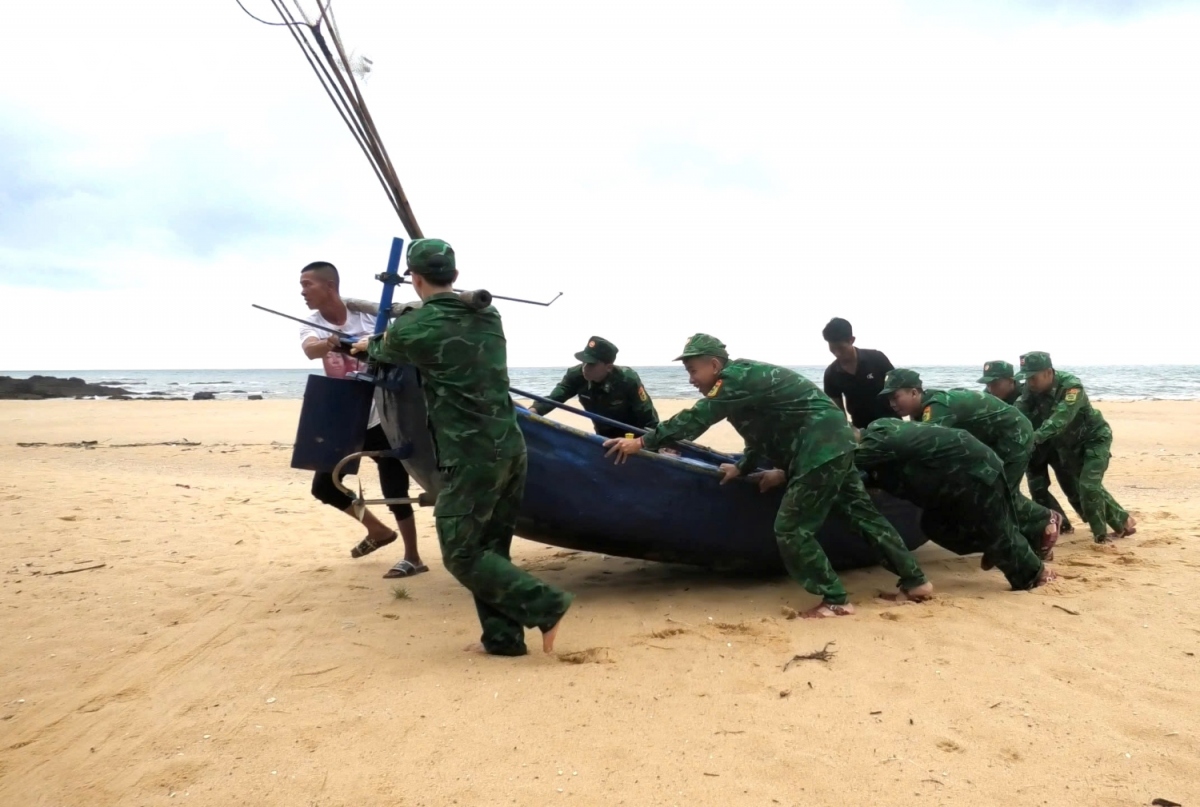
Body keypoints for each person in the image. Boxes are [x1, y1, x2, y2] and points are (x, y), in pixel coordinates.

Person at [602, 334, 932, 618]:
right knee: (864, 516)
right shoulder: (741, 385)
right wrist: (743, 466)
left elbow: (698, 418)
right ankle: (916, 582)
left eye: (693, 370)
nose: (690, 379)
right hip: (834, 443)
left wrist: (644, 442)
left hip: (820, 448)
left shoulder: (733, 380)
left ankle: (836, 602)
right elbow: (760, 435)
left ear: (714, 366)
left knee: (792, 528)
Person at [356, 238, 573, 655]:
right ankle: (502, 639)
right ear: (455, 276)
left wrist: (370, 342)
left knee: (460, 552)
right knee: (492, 549)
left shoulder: (415, 329)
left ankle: (546, 605)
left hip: (470, 456)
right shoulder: (488, 314)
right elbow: (441, 321)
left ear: (413, 279)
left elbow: (381, 348)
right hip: (511, 446)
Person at [298, 260, 425, 579]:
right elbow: (311, 350)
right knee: (325, 486)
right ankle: (378, 531)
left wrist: (375, 345)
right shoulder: (311, 322)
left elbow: (397, 347)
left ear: (329, 286)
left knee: (394, 484)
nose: (302, 292)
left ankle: (413, 557)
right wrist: (327, 344)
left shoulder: (370, 313)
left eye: (307, 284)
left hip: (383, 410)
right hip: (343, 411)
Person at [880, 368, 1060, 560]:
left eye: (895, 396)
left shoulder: (936, 408)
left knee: (1000, 493)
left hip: (1012, 436)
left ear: (914, 392)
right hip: (989, 441)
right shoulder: (921, 412)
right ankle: (1027, 541)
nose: (892, 403)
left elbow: (925, 450)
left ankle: (1044, 518)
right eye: (889, 399)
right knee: (990, 493)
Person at [854, 419, 1055, 591]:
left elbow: (842, 470)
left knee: (995, 530)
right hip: (953, 483)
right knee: (934, 525)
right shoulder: (877, 432)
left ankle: (1037, 575)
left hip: (974, 472)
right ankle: (1001, 545)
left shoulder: (873, 445)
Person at [1015, 352, 1136, 543]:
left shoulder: (1071, 387)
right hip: (1067, 445)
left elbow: (1060, 419)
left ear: (1048, 372)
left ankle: (1101, 536)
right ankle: (1123, 522)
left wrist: (1034, 438)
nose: (1029, 382)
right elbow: (1018, 411)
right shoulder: (1032, 390)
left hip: (1094, 439)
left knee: (1088, 486)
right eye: (1026, 378)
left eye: (1033, 377)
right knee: (1088, 485)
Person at [979, 359, 1079, 534]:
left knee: (1072, 487)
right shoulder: (987, 398)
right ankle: (1060, 524)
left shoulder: (1029, 392)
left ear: (1011, 380)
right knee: (1038, 490)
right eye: (987, 383)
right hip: (1028, 450)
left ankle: (1108, 519)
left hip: (1052, 443)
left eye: (995, 383)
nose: (990, 388)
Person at [530, 336, 659, 438]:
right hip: (603, 435)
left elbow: (647, 415)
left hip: (633, 436)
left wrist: (658, 441)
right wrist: (535, 410)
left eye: (591, 364)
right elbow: (555, 397)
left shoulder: (627, 379)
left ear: (608, 367)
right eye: (584, 362)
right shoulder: (576, 375)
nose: (585, 368)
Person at [821, 317, 898, 429]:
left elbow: (899, 385)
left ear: (851, 340)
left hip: (892, 423)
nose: (837, 353)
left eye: (841, 348)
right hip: (861, 429)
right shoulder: (831, 374)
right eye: (832, 348)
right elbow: (837, 412)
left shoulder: (876, 358)